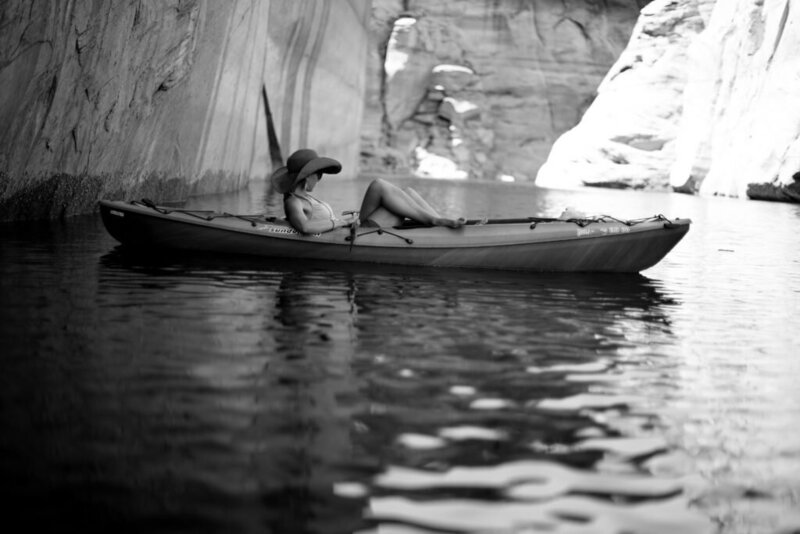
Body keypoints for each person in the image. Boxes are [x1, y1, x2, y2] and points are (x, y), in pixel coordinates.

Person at [271, 148, 465, 234]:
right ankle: (436, 222)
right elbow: (305, 228)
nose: (320, 178)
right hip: (356, 234)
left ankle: (438, 221)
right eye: (318, 174)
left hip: (351, 227)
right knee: (379, 185)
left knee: (408, 192)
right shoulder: (293, 201)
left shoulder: (306, 197)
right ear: (307, 177)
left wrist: (347, 219)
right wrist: (342, 222)